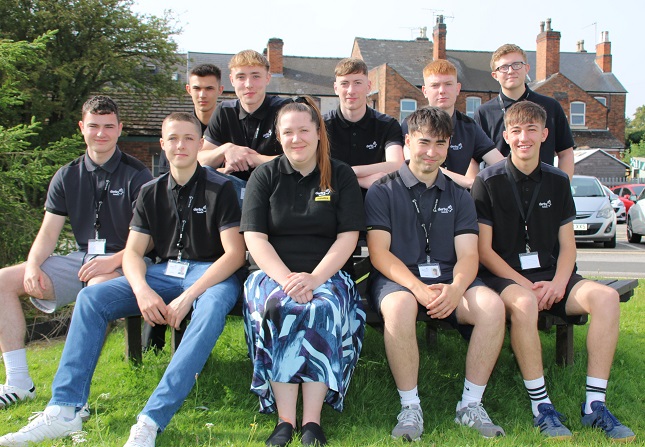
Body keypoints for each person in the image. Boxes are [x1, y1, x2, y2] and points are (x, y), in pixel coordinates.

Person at [0, 112, 246, 447]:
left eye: (189, 138)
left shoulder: (222, 189)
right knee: (91, 298)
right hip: (163, 272)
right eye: (172, 138)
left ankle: (151, 419)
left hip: (211, 274)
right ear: (162, 145)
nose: (180, 145)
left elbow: (233, 255)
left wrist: (190, 296)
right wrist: (142, 290)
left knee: (212, 305)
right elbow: (132, 253)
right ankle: (65, 409)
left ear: (201, 144)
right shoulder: (150, 191)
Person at [471, 101, 635, 442]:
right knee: (526, 304)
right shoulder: (487, 181)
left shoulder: (559, 180)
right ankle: (541, 406)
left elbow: (568, 244)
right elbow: (483, 251)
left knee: (605, 298)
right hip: (506, 277)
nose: (524, 138)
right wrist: (525, 285)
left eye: (532, 130)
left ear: (545, 135)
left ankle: (594, 405)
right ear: (505, 137)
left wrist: (559, 283)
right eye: (516, 131)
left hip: (555, 276)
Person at [0, 96, 152, 412]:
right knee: (2, 282)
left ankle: (74, 393)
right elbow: (49, 232)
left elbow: (152, 239)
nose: (101, 133)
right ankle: (18, 383)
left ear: (119, 129)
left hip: (126, 259)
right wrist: (32, 265)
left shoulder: (138, 175)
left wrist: (114, 260)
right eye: (94, 126)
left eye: (109, 126)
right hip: (80, 258)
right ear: (82, 128)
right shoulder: (66, 175)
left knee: (96, 293)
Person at [365, 107, 506, 441]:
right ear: (408, 142)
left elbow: (469, 254)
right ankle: (410, 407)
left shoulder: (460, 195)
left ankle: (470, 406)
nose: (431, 151)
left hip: (450, 280)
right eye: (424, 142)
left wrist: (457, 288)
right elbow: (380, 254)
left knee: (492, 306)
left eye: (440, 143)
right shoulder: (382, 190)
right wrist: (417, 288)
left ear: (448, 146)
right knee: (398, 309)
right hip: (399, 280)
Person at [241, 96, 365, 447]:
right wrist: (287, 281)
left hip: (327, 273)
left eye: (304, 131)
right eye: (288, 132)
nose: (297, 139)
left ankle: (312, 421)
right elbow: (255, 238)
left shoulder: (339, 174)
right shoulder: (263, 176)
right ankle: (284, 420)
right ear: (278, 137)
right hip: (271, 274)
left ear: (318, 133)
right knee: (278, 307)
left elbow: (347, 238)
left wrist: (314, 279)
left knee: (321, 309)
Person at [197, 49, 291, 202]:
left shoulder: (285, 110)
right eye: (241, 77)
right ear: (232, 80)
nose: (248, 84)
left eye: (255, 76)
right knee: (204, 174)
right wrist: (226, 150)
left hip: (275, 189)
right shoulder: (224, 111)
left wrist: (253, 159)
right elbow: (201, 159)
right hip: (235, 191)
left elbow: (301, 159)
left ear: (267, 78)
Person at [474, 43, 574, 179]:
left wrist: (562, 189)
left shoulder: (550, 107)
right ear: (494, 75)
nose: (510, 71)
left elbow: (566, 153)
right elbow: (473, 158)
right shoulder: (483, 113)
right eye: (503, 67)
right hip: (498, 192)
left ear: (527, 68)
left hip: (542, 189)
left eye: (517, 64)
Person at [401, 59, 504, 189]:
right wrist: (470, 182)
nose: (442, 90)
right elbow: (416, 167)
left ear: (458, 88)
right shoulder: (410, 125)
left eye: (448, 84)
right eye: (435, 85)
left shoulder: (469, 127)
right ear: (425, 91)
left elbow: (500, 165)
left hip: (458, 202)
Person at [324, 58, 404, 189]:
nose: (351, 90)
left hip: (373, 204)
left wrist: (349, 171)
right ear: (335, 88)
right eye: (344, 83)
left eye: (357, 83)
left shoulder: (388, 125)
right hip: (331, 203)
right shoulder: (321, 126)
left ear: (368, 87)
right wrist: (357, 180)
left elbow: (396, 164)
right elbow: (312, 168)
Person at [158, 64, 224, 174]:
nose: (202, 95)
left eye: (209, 88)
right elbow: (167, 177)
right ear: (188, 89)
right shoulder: (176, 128)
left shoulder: (232, 128)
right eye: (197, 88)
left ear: (220, 90)